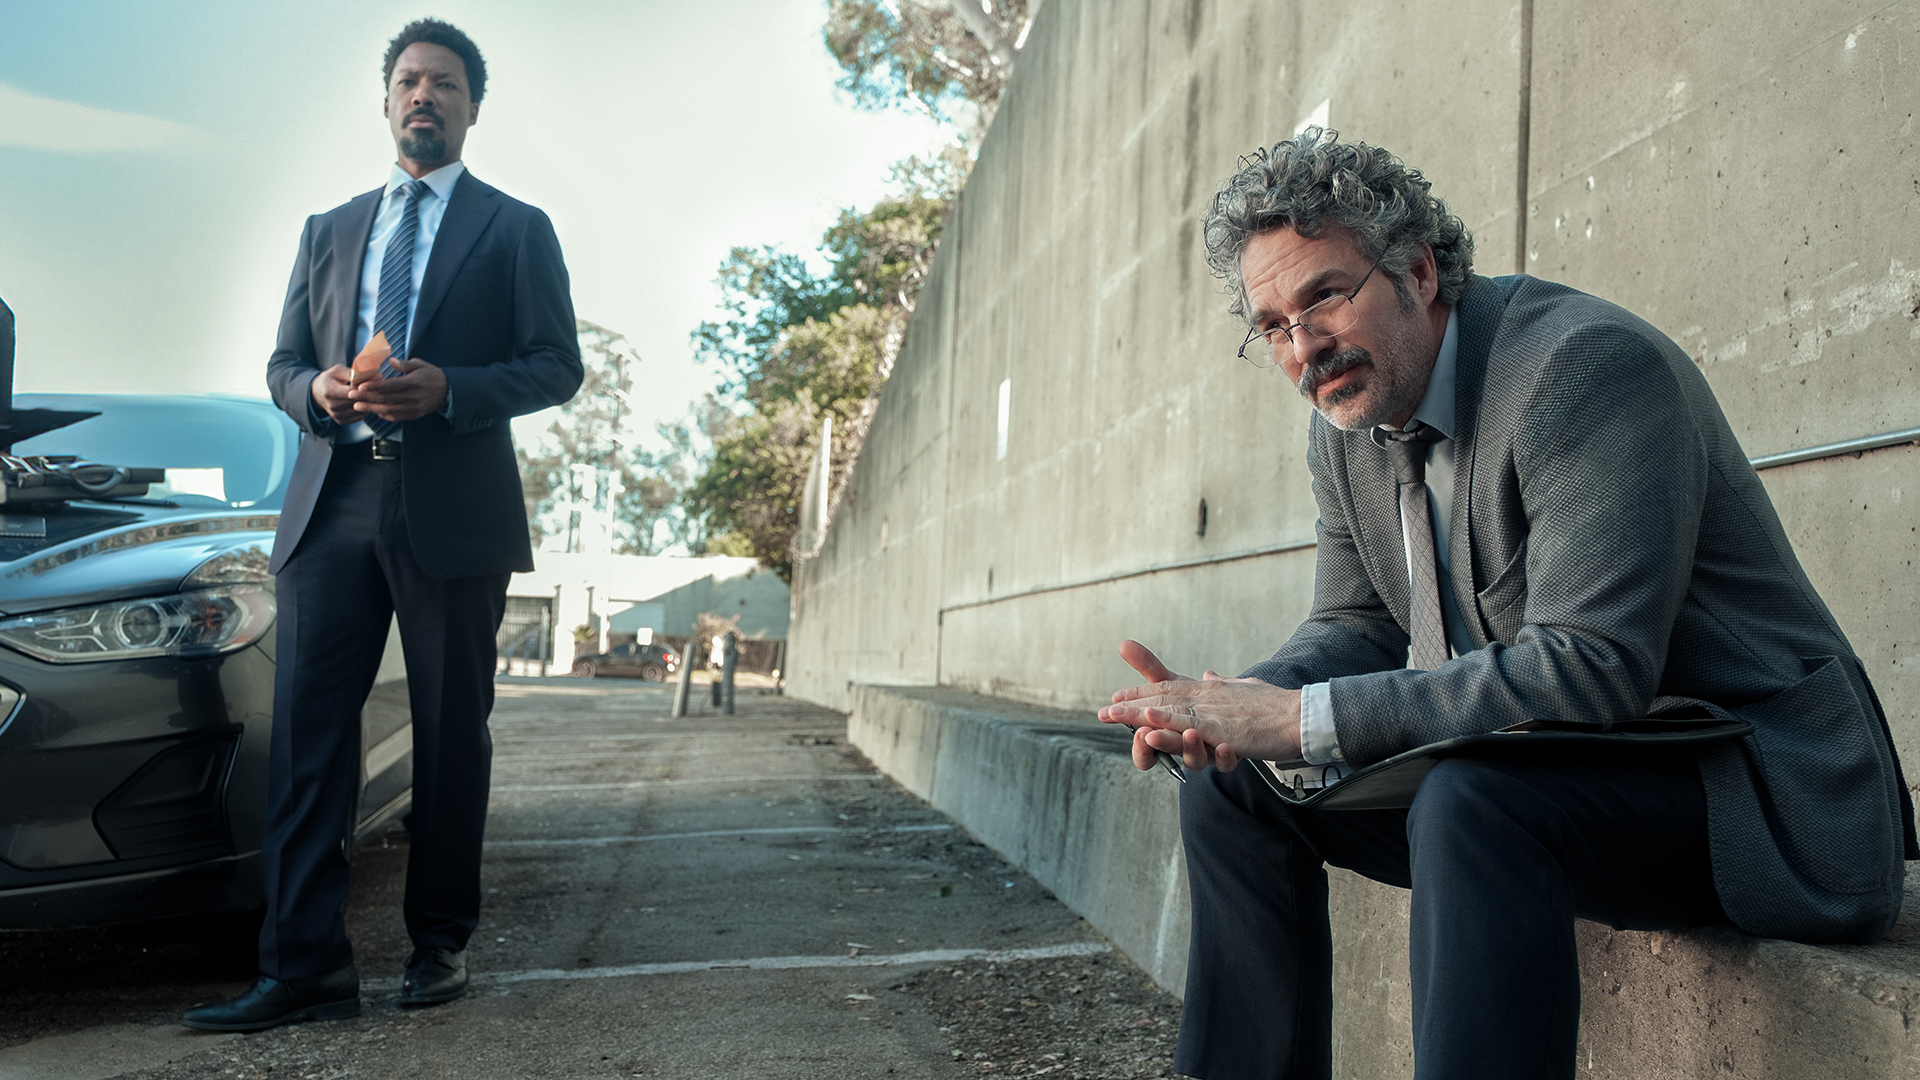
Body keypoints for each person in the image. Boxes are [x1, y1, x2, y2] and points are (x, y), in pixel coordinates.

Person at [1098, 128, 1915, 1080]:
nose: (1305, 347)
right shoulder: (1348, 423)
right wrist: (1229, 711)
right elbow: (1357, 625)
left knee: (1473, 800)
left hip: (1752, 788)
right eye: (1273, 326)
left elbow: (1593, 669)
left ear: (1417, 269)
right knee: (1236, 785)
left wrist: (1300, 718)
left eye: (1324, 296)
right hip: (1558, 777)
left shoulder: (1583, 369)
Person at [185, 18, 582, 1031]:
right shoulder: (329, 229)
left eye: (444, 82)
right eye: (408, 80)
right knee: (308, 741)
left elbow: (556, 365)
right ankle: (302, 968)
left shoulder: (515, 228)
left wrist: (455, 389)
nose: (423, 95)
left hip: (452, 509)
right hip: (333, 505)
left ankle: (438, 945)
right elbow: (281, 365)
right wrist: (315, 390)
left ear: (472, 106)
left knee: (449, 736)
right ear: (388, 100)